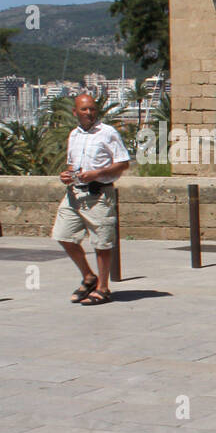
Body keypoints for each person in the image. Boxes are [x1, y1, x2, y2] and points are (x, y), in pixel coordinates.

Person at [55, 93, 130, 306]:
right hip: (75, 193)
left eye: (92, 109)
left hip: (99, 194)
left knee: (101, 242)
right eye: (84, 110)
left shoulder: (108, 133)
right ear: (75, 112)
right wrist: (66, 175)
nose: (89, 113)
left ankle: (103, 288)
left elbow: (123, 163)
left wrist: (97, 174)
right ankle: (88, 277)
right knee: (63, 235)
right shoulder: (74, 135)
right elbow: (72, 165)